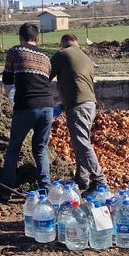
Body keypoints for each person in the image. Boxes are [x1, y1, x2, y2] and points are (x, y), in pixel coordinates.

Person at [49, 34, 107, 195]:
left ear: (62, 44)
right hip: (89, 104)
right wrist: (63, 105)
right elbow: (79, 83)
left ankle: (100, 181)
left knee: (81, 143)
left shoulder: (62, 54)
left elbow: (44, 77)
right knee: (79, 142)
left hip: (78, 105)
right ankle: (81, 178)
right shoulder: (85, 57)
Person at [1, 23, 54, 192]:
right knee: (40, 148)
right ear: (37, 38)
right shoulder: (46, 57)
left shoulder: (15, 51)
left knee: (14, 147)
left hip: (26, 106)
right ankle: (46, 187)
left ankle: (7, 188)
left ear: (20, 38)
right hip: (47, 106)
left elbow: (7, 79)